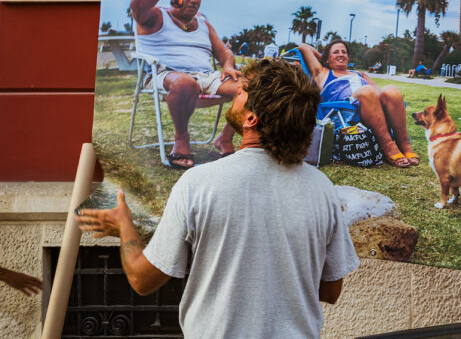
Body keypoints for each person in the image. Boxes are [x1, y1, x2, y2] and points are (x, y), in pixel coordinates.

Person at [77, 59, 359, 338]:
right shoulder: (322, 189)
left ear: (251, 118)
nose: (235, 94)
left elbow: (142, 279)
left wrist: (124, 224)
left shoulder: (198, 184)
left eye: (242, 91)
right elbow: (331, 290)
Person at [131, 0, 240, 169]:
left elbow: (224, 53)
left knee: (254, 86)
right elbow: (136, 8)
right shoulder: (157, 17)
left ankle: (224, 139)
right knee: (185, 82)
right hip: (164, 74)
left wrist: (227, 65)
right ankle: (181, 139)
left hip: (206, 76)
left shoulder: (204, 24)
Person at [299, 40, 419, 168]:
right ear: (327, 58)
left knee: (391, 91)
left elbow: (377, 91)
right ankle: (388, 146)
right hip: (343, 114)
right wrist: (323, 59)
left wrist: (387, 100)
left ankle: (405, 145)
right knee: (366, 91)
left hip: (371, 108)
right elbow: (303, 47)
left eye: (344, 52)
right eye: (335, 52)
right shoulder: (322, 73)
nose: (341, 55)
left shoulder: (359, 74)